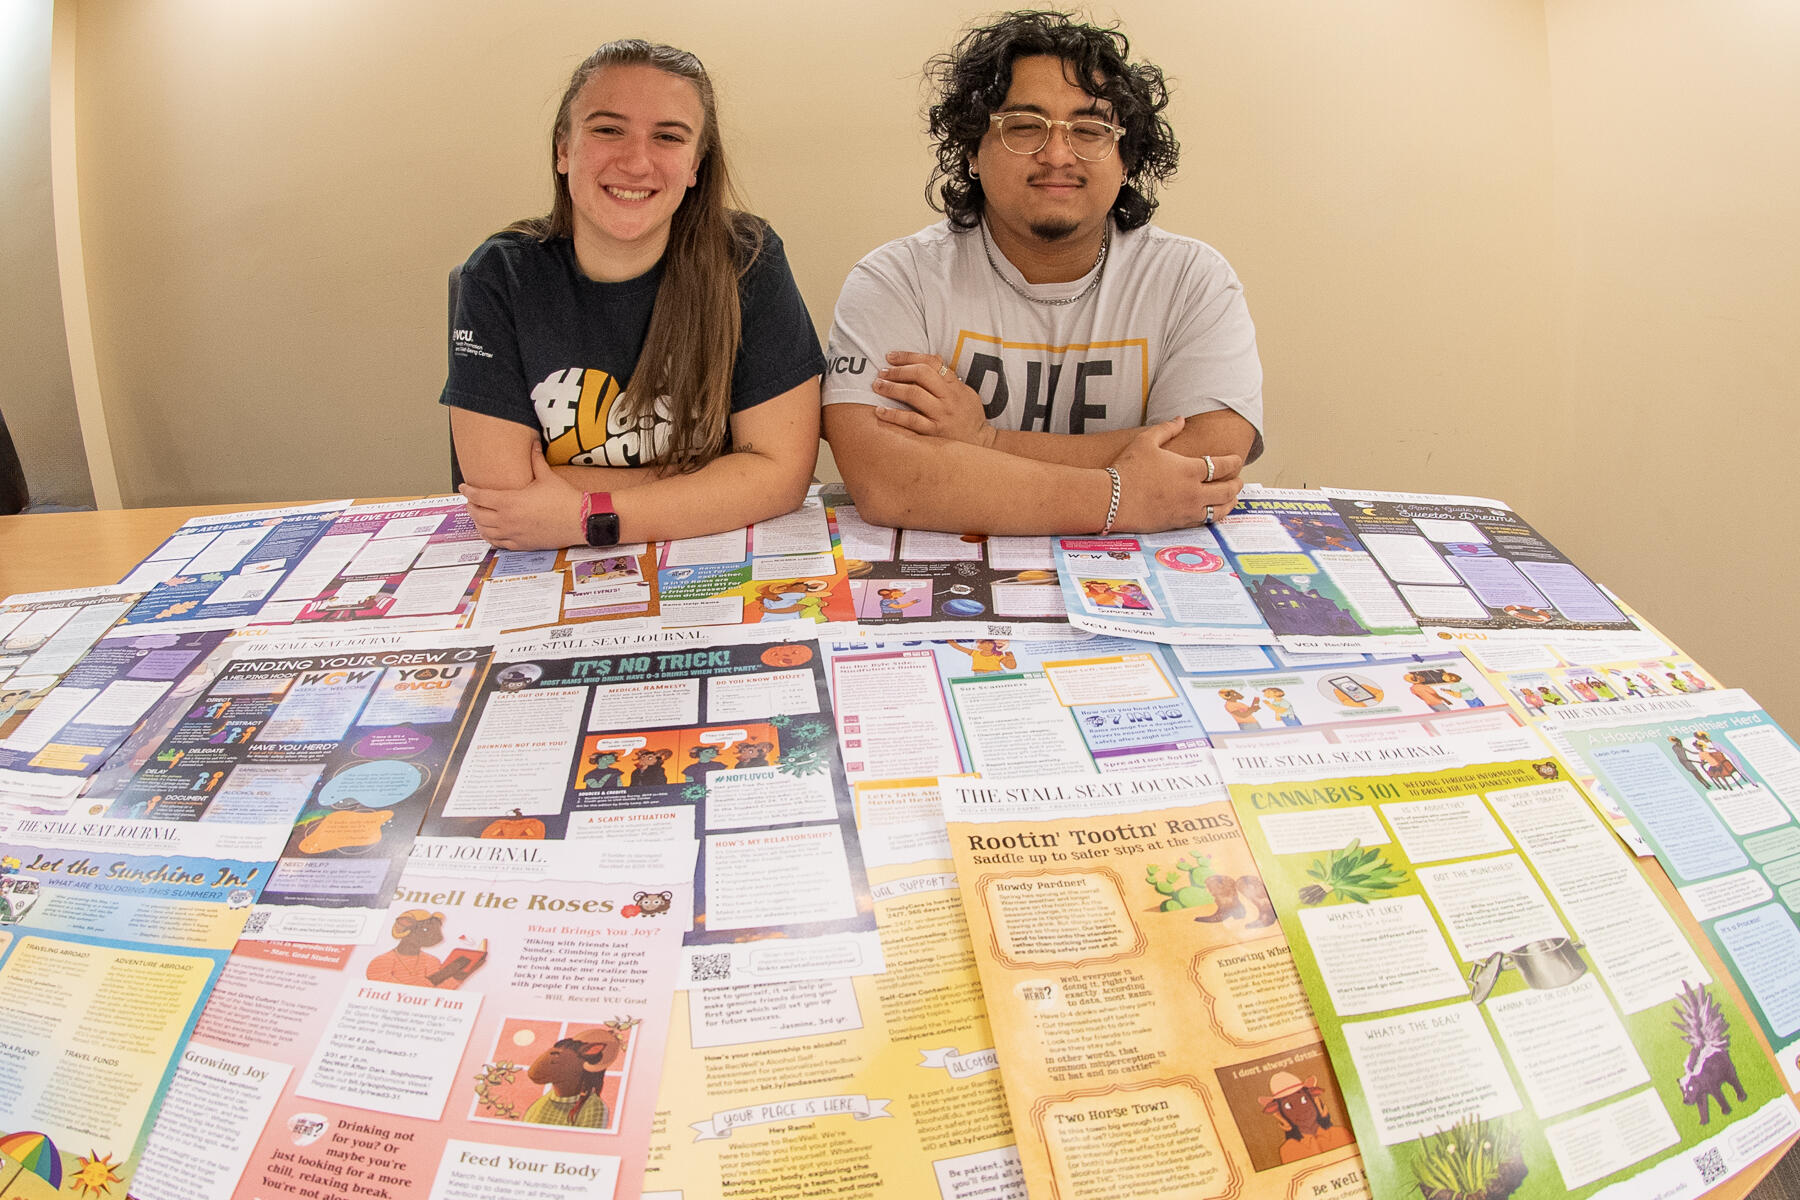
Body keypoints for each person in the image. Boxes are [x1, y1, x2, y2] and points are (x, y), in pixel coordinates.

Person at [822, 12, 1261, 535]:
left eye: (1090, 130)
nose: (1057, 154)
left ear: (1125, 160)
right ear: (972, 152)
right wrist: (1121, 497)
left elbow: (1209, 452)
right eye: (1024, 127)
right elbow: (886, 477)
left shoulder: (1192, 279)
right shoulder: (896, 279)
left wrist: (985, 444)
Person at [444, 41, 825, 550]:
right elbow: (506, 497)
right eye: (607, 129)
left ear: (695, 166)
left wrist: (586, 514)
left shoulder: (749, 259)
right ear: (563, 148)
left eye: (668, 136)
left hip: (714, 557)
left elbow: (781, 477)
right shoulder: (498, 275)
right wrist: (715, 480)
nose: (637, 162)